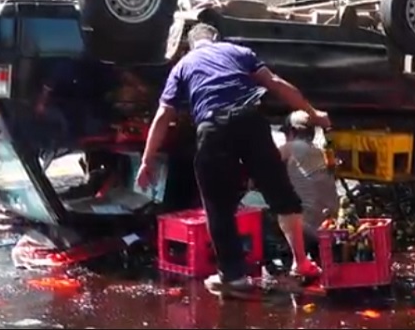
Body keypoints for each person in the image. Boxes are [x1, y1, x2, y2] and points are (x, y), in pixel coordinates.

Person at [135, 22, 331, 294]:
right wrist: (313, 112)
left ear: (190, 45)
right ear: (216, 38)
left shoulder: (182, 66)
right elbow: (276, 83)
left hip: (213, 129)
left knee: (218, 205)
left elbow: (162, 116)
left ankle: (234, 277)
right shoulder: (238, 51)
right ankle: (301, 262)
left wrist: (147, 160)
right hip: (251, 121)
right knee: (280, 193)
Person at [278, 110, 339, 258]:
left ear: (292, 132)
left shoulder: (291, 147)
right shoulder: (321, 152)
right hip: (329, 227)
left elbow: (262, 163)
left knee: (266, 210)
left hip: (306, 229)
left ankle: (287, 254)